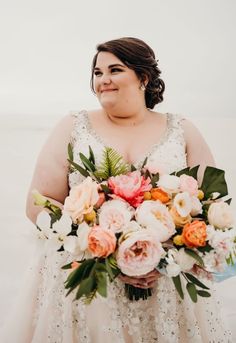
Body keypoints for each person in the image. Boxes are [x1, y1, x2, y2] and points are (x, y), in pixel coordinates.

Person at [0, 37, 232, 342]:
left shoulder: (182, 129)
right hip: (89, 281)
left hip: (165, 286)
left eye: (115, 70)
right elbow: (38, 205)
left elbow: (210, 207)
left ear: (144, 77)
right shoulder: (73, 126)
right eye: (97, 73)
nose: (103, 80)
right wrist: (101, 249)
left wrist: (161, 259)